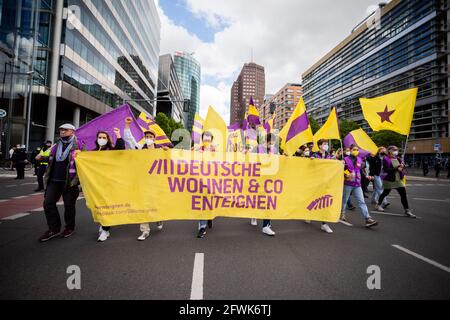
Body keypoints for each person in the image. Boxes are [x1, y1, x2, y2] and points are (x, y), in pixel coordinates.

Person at [123, 117, 167, 241]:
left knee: (155, 204)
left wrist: (167, 152)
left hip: (156, 184)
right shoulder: (139, 148)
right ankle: (144, 230)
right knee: (143, 205)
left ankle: (158, 218)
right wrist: (127, 125)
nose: (148, 138)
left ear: (154, 138)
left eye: (150, 136)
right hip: (142, 183)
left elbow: (170, 161)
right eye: (146, 136)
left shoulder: (160, 150)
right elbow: (129, 139)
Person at [38, 124, 82, 242]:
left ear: (72, 132)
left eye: (65, 130)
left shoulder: (80, 145)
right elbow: (52, 158)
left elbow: (85, 162)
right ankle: (54, 228)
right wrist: (42, 157)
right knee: (48, 203)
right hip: (54, 180)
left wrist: (80, 155)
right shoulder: (56, 145)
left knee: (69, 206)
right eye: (60, 129)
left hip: (69, 182)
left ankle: (69, 227)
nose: (62, 132)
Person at [82, 128, 125, 242]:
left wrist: (118, 135)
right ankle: (103, 222)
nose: (101, 139)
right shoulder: (94, 152)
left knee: (106, 205)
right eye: (100, 137)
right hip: (96, 184)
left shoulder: (111, 150)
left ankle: (106, 230)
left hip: (109, 184)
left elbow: (121, 149)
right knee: (97, 205)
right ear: (97, 139)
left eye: (104, 137)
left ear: (108, 139)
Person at [341, 144, 378, 227]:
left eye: (357, 150)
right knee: (345, 200)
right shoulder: (345, 159)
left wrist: (366, 176)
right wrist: (347, 174)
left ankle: (367, 219)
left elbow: (361, 170)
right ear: (350, 150)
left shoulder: (359, 159)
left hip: (357, 184)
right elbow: (342, 170)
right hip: (348, 184)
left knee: (362, 201)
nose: (356, 151)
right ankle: (342, 214)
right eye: (354, 149)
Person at [375, 145, 416, 218]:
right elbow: (386, 170)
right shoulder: (386, 159)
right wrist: (397, 168)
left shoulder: (399, 159)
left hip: (398, 179)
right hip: (389, 180)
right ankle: (378, 205)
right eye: (394, 150)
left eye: (396, 149)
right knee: (385, 193)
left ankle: (407, 210)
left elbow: (402, 168)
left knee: (403, 194)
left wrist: (403, 166)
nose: (396, 151)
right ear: (389, 151)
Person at [250, 133, 276, 236]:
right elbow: (250, 159)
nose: (273, 144)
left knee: (268, 201)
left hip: (269, 179)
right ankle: (253, 214)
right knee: (256, 199)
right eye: (272, 142)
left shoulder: (273, 150)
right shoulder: (257, 148)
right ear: (267, 140)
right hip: (257, 178)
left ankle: (266, 225)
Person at [309, 139, 334, 233]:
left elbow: (335, 165)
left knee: (324, 202)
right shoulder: (314, 155)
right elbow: (309, 167)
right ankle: (308, 214)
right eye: (325, 144)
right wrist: (311, 161)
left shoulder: (330, 156)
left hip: (327, 183)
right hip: (316, 182)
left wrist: (341, 163)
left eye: (327, 144)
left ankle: (324, 224)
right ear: (319, 146)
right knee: (312, 200)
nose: (326, 145)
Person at [196, 131, 216, 238]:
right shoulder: (198, 150)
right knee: (202, 203)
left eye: (209, 140)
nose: (207, 141)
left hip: (212, 181)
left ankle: (209, 217)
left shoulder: (215, 150)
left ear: (212, 140)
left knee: (210, 201)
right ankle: (202, 227)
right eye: (205, 139)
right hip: (201, 180)